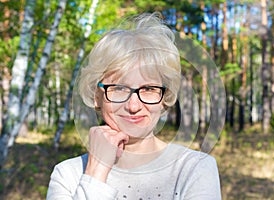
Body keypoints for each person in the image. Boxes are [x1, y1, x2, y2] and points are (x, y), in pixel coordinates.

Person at [46, 12, 221, 200]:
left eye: (148, 89)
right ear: (97, 96)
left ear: (164, 97)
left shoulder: (194, 169)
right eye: (119, 88)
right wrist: (96, 173)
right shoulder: (68, 175)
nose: (133, 105)